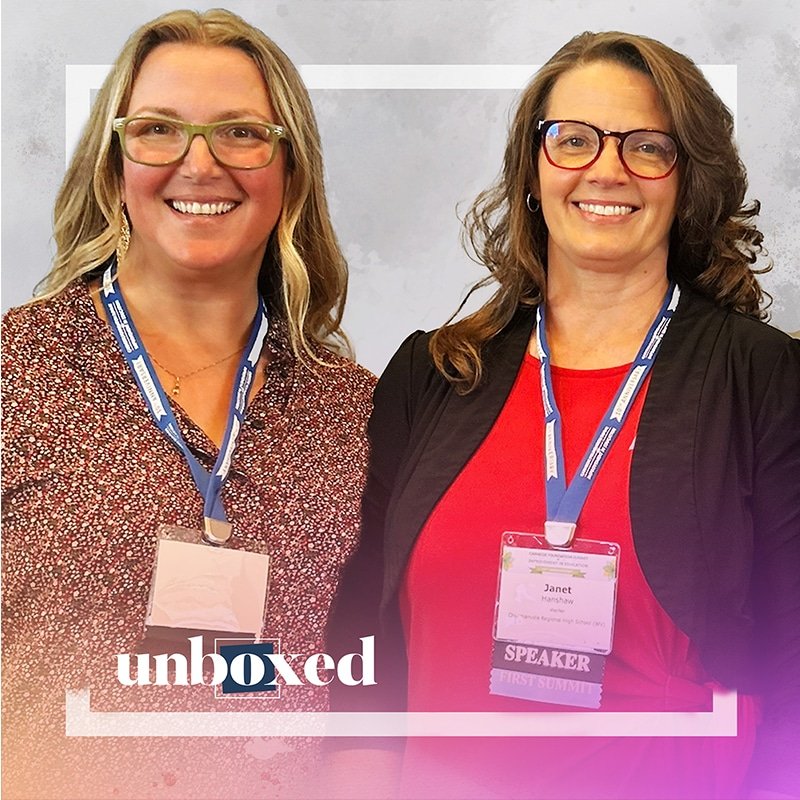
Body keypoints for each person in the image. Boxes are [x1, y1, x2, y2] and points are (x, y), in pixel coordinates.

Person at [327, 30, 800, 800]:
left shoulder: (762, 378)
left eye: (647, 146)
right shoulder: (434, 374)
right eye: (573, 140)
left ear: (688, 179)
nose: (606, 169)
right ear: (532, 168)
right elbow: (364, 638)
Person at [1, 9, 375, 799]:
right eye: (158, 130)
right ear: (114, 168)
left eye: (240, 133)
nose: (199, 164)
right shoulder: (17, 372)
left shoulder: (357, 414)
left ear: (291, 173)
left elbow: (377, 691)